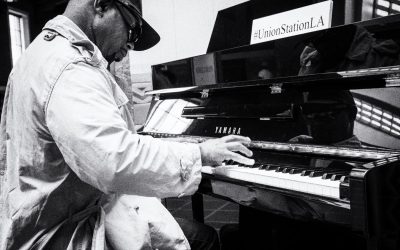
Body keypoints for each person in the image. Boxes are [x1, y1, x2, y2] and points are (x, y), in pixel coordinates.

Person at [0, 0, 255, 249]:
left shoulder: (38, 53)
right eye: (131, 31)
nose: (128, 49)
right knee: (204, 238)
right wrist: (200, 153)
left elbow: (101, 140)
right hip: (65, 234)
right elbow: (112, 160)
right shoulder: (70, 67)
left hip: (42, 220)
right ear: (101, 6)